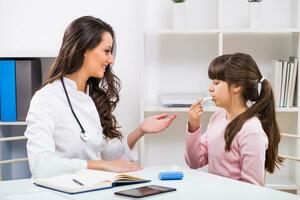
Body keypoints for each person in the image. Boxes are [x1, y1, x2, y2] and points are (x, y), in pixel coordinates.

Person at [25, 16, 176, 178]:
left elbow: (104, 155)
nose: (110, 59)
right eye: (106, 51)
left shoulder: (90, 97)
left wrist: (141, 130)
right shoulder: (46, 99)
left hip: (92, 186)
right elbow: (40, 165)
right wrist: (98, 165)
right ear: (84, 49)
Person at [185, 53, 283, 186]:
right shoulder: (217, 118)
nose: (210, 88)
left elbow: (252, 189)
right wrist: (193, 125)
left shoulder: (251, 130)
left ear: (236, 86)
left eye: (216, 83)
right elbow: (195, 162)